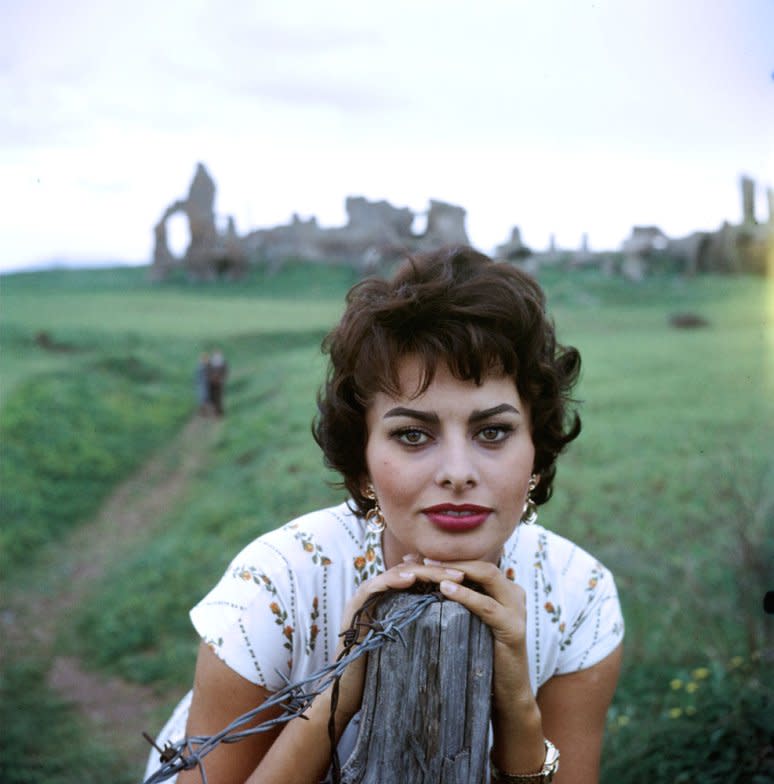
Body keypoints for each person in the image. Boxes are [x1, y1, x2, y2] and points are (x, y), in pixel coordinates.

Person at [145, 246, 624, 784]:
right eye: (413, 435)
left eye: (493, 431)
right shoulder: (278, 584)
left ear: (537, 448)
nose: (457, 472)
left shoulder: (580, 596)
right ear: (363, 463)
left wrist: (517, 706)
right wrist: (338, 694)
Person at [207, 349, 228, 416]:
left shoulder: (222, 362)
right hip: (212, 382)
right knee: (214, 397)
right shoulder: (211, 363)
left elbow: (225, 372)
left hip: (218, 382)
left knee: (217, 397)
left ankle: (218, 411)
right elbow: (207, 372)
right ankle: (217, 411)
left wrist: (222, 378)